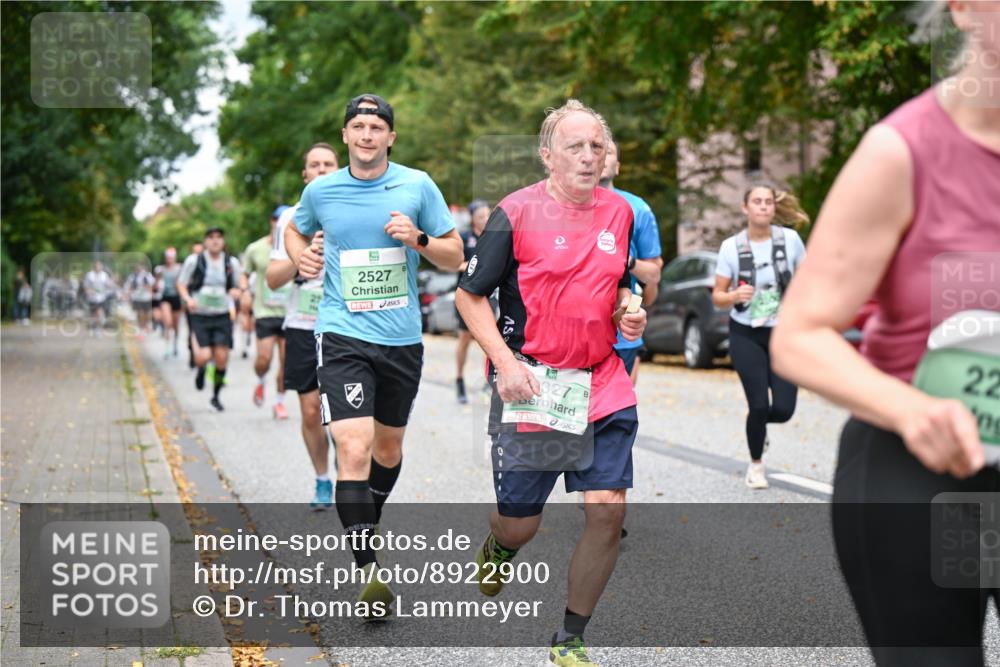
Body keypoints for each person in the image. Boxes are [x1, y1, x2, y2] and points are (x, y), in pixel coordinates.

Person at [771, 1, 999, 664]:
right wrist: (912, 409)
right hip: (918, 468)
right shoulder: (902, 151)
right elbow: (800, 334)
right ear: (960, 8)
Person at [455, 99, 646, 666]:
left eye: (596, 146)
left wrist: (626, 310)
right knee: (519, 524)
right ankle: (499, 546)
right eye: (575, 147)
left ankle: (571, 637)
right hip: (532, 386)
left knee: (608, 509)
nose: (589, 157)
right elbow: (469, 296)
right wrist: (505, 365)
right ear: (547, 156)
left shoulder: (622, 213)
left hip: (602, 381)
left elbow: (618, 285)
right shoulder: (513, 213)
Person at [286, 93, 463, 618]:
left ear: (390, 137)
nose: (366, 135)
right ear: (345, 136)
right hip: (341, 333)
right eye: (357, 126)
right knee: (354, 447)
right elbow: (294, 231)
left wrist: (420, 237)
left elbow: (456, 254)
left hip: (402, 338)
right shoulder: (322, 190)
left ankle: (364, 515)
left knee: (387, 450)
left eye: (376, 127)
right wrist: (305, 257)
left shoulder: (417, 185)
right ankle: (368, 572)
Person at [711, 183, 807, 489]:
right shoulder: (731, 247)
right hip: (746, 333)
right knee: (759, 405)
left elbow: (807, 280)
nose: (763, 206)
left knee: (783, 409)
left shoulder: (790, 241)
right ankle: (756, 466)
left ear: (774, 208)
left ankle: (758, 430)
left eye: (768, 202)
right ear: (745, 208)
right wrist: (735, 294)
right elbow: (717, 296)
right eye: (757, 201)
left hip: (783, 334)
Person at [266, 141, 340, 508]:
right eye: (315, 164)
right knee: (311, 410)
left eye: (329, 163)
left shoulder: (352, 207)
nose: (322, 169)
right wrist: (303, 255)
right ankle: (322, 479)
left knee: (345, 415)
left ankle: (351, 467)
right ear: (305, 174)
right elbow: (272, 278)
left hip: (346, 324)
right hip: (303, 326)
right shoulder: (291, 218)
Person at [599, 138, 663, 383]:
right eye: (597, 150)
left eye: (609, 152)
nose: (602, 157)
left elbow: (654, 275)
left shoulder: (638, 209)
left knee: (616, 414)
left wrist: (626, 261)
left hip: (623, 332)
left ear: (618, 166)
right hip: (578, 327)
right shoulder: (566, 205)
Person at [176, 228, 242, 412]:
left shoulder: (231, 262)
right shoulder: (194, 260)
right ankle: (201, 369)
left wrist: (237, 292)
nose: (215, 241)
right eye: (211, 238)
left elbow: (238, 285)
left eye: (219, 237)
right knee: (203, 356)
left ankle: (216, 396)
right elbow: (181, 283)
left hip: (222, 314)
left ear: (223, 241)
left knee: (222, 358)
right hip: (200, 314)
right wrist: (188, 299)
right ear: (205, 241)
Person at [242, 206, 292, 419]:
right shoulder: (255, 249)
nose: (279, 222)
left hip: (290, 314)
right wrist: (244, 291)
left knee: (285, 362)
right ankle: (261, 379)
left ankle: (279, 402)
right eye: (275, 219)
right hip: (264, 311)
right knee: (264, 358)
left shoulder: (298, 245)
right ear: (271, 222)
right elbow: (244, 274)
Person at [454, 199, 491, 404]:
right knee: (465, 339)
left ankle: (490, 380)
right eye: (480, 217)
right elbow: (452, 262)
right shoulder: (464, 237)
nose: (485, 220)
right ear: (472, 218)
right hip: (467, 294)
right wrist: (469, 265)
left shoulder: (494, 237)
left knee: (491, 338)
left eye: (487, 216)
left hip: (488, 294)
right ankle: (459, 379)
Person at [158, 247, 183, 358]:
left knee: (175, 325)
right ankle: (166, 348)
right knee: (167, 323)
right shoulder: (161, 270)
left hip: (176, 297)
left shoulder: (180, 268)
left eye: (171, 258)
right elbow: (155, 285)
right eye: (168, 258)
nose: (169, 260)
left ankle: (175, 345)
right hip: (165, 298)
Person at [83, 260, 115, 334]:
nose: (98, 267)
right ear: (94, 267)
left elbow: (108, 284)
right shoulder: (89, 275)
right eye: (97, 265)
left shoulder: (104, 275)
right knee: (94, 314)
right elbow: (86, 285)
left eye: (100, 266)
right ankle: (96, 326)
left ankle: (98, 328)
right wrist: (87, 291)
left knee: (99, 312)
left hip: (102, 297)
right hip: (92, 297)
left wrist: (112, 281)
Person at [126, 263, 155, 337]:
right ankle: (141, 327)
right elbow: (130, 286)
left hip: (146, 297)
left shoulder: (147, 275)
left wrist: (151, 293)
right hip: (137, 298)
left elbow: (152, 285)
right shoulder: (133, 276)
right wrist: (129, 294)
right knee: (140, 313)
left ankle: (146, 325)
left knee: (147, 313)